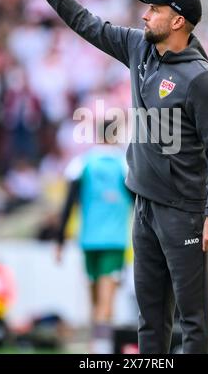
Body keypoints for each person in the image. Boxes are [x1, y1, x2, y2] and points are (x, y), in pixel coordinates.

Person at [9, 0, 208, 354]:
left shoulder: (201, 81)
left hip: (185, 213)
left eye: (155, 10)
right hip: (144, 207)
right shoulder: (139, 47)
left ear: (179, 21)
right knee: (149, 320)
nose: (145, 14)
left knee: (194, 322)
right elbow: (87, 23)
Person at [55, 120, 134, 353]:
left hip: (88, 241)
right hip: (114, 242)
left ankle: (95, 351)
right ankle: (101, 353)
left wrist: (59, 240)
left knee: (94, 302)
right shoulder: (124, 165)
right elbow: (137, 203)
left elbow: (68, 204)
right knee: (106, 303)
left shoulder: (81, 163)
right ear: (116, 134)